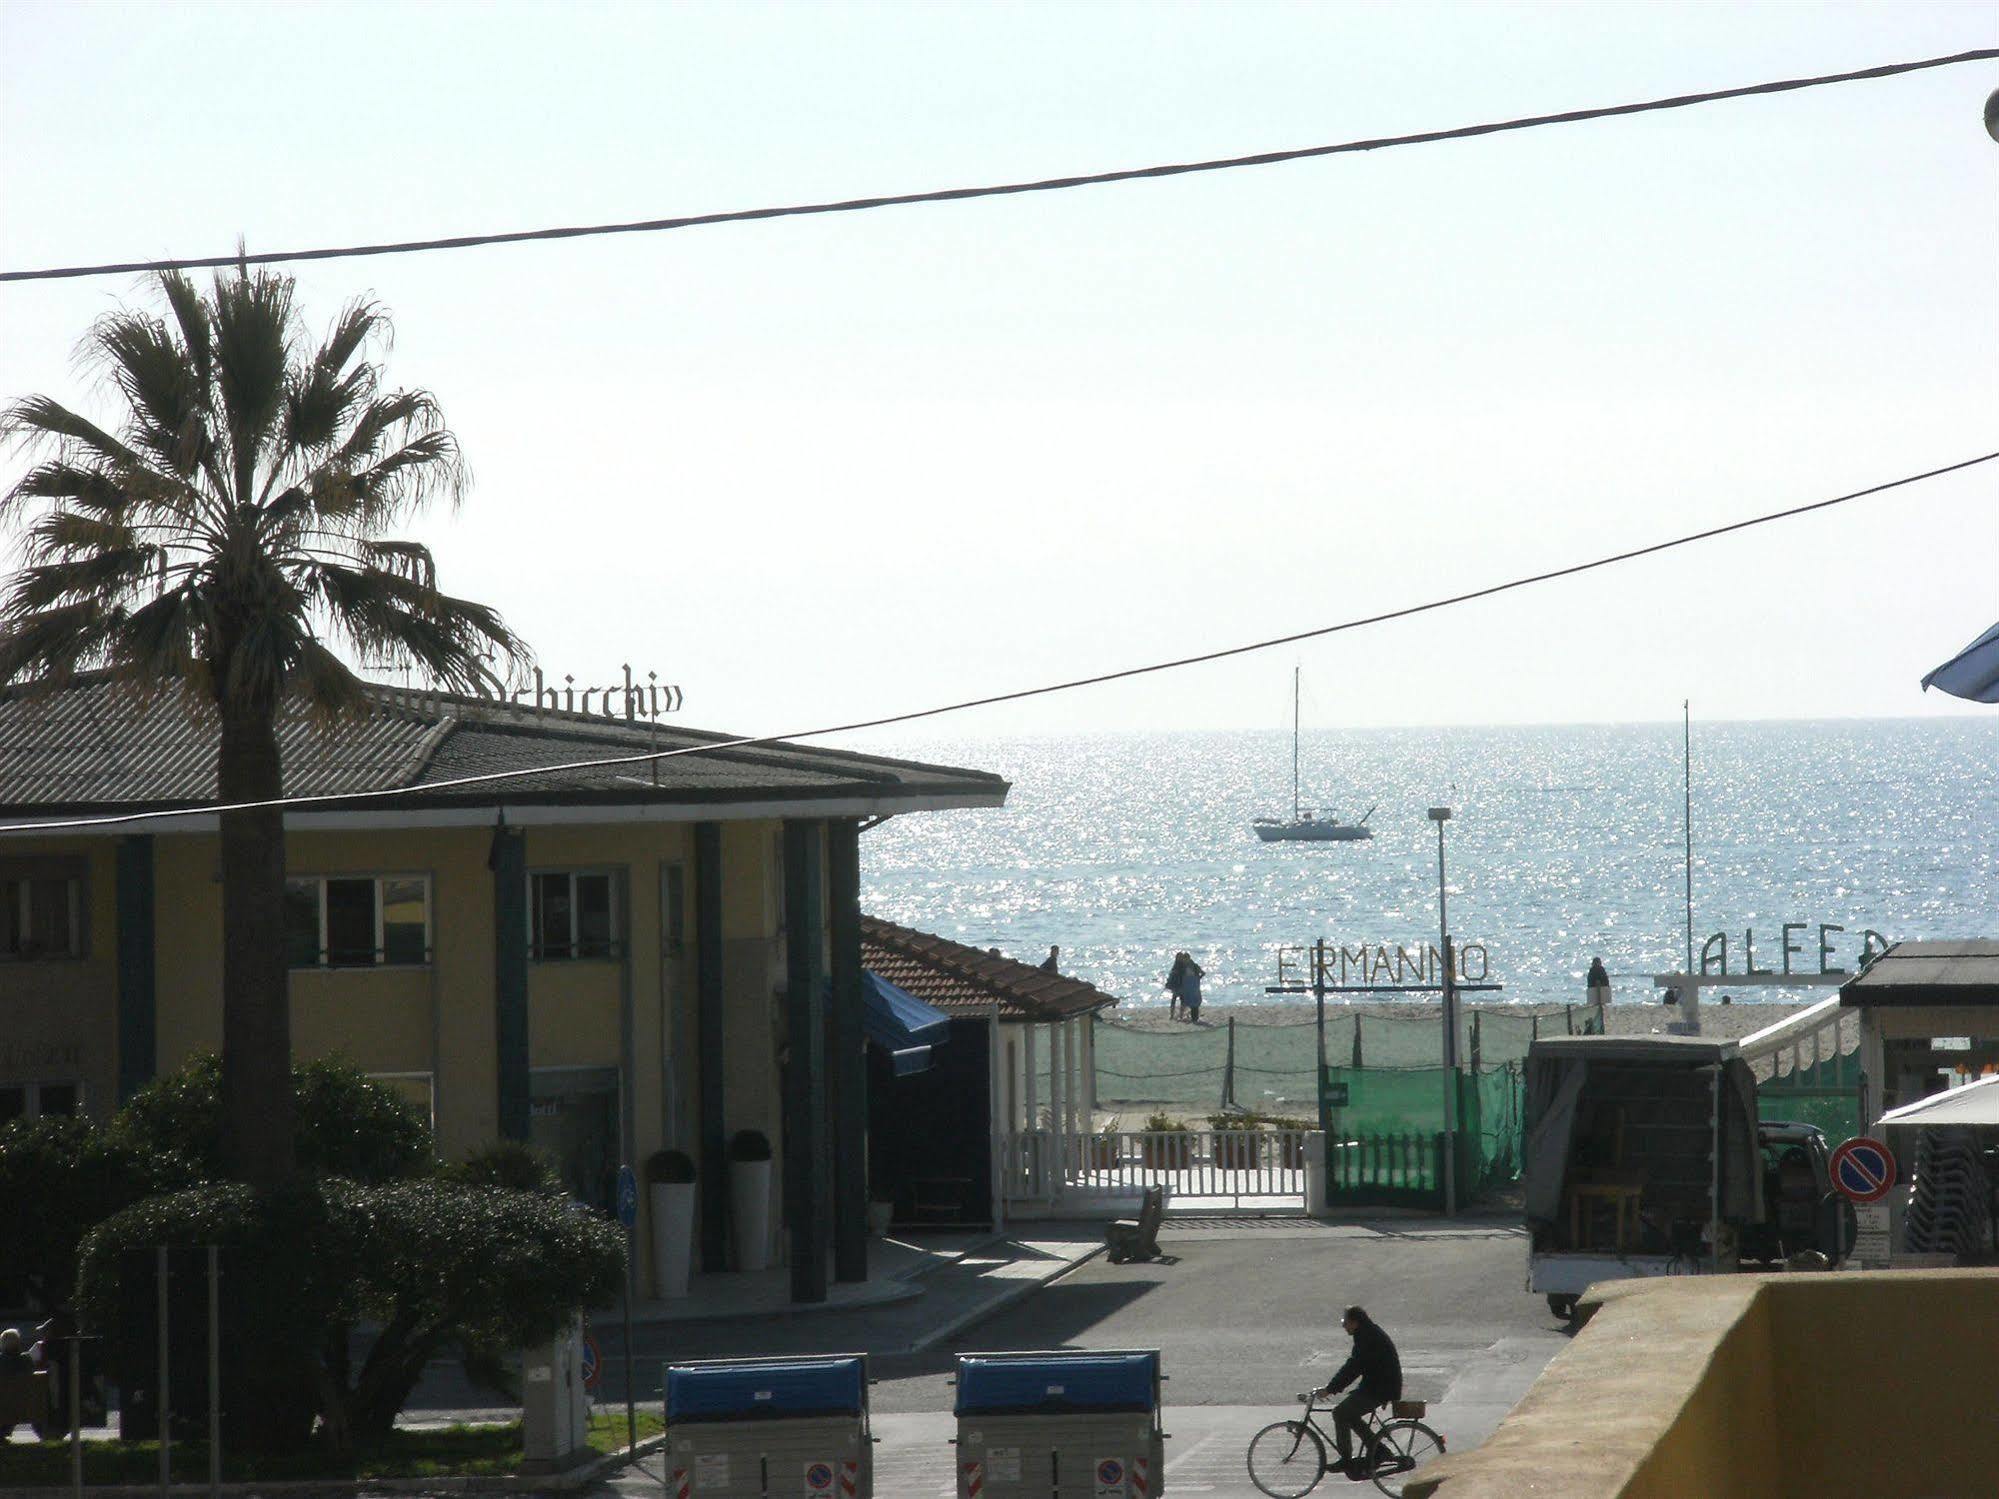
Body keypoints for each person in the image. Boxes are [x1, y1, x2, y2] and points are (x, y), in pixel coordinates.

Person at [1313, 1304, 1402, 1478]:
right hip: (1378, 1385)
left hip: (1380, 1388)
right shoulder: (1367, 1333)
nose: (1343, 1326)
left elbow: (1354, 1367)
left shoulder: (1367, 1337)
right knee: (1349, 1414)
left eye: (1345, 1322)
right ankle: (1378, 1450)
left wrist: (1330, 1389)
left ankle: (1347, 1459)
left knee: (1340, 1413)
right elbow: (1357, 1366)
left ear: (1355, 1322)